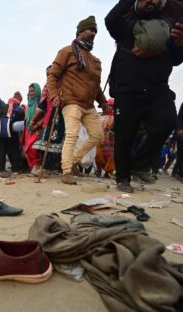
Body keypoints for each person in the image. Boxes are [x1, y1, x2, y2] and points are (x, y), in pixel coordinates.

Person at [105, 0, 183, 192]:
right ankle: (123, 178)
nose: (151, 1)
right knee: (125, 135)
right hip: (127, 89)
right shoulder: (126, 24)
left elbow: (177, 59)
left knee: (167, 122)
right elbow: (110, 20)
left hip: (158, 89)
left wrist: (181, 42)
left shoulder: (168, 24)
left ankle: (140, 165)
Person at [47, 16, 106, 185]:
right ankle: (66, 171)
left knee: (98, 135)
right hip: (71, 101)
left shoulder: (95, 61)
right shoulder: (67, 51)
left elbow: (96, 86)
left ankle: (72, 161)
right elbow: (53, 75)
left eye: (95, 30)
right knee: (72, 134)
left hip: (89, 105)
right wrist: (53, 95)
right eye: (90, 29)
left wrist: (103, 103)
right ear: (80, 32)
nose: (94, 33)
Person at [30, 66, 65, 175]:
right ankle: (44, 167)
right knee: (43, 144)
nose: (49, 76)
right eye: (48, 74)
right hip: (49, 119)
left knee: (63, 145)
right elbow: (41, 107)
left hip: (63, 118)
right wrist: (33, 121)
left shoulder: (64, 86)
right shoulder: (47, 89)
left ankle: (62, 168)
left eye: (51, 74)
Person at [23, 83, 42, 176]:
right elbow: (26, 119)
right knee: (27, 149)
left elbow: (44, 115)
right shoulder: (29, 104)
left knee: (32, 148)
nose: (30, 93)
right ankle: (33, 168)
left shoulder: (40, 102)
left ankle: (37, 166)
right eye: (29, 91)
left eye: (32, 91)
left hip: (37, 128)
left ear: (37, 91)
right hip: (28, 129)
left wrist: (36, 125)